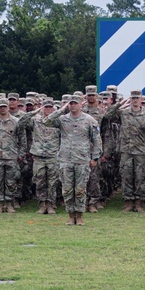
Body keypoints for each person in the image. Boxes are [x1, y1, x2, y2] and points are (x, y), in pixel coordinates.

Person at [43, 95, 102, 226]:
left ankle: (79, 216)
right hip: (65, 160)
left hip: (82, 160)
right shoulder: (62, 119)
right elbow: (46, 121)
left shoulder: (89, 120)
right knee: (67, 190)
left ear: (81, 104)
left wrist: (95, 157)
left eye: (75, 103)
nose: (72, 105)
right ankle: (71, 215)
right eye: (70, 103)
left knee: (80, 190)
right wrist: (61, 109)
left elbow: (97, 141)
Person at [104, 89, 145, 212]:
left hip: (141, 151)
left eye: (137, 98)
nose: (135, 100)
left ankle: (138, 202)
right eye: (133, 98)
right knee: (126, 176)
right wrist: (120, 103)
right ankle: (128, 202)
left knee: (140, 177)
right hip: (126, 150)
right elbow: (108, 115)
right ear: (130, 99)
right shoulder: (123, 113)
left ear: (141, 99)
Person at [19, 98, 61, 214]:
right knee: (39, 181)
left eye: (49, 107)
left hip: (53, 155)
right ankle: (42, 204)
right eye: (45, 107)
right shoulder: (36, 120)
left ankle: (51, 204)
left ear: (53, 108)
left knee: (52, 182)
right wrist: (34, 112)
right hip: (39, 156)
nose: (47, 109)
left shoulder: (58, 121)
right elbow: (21, 122)